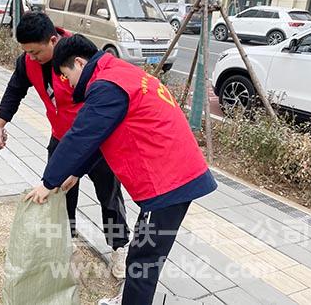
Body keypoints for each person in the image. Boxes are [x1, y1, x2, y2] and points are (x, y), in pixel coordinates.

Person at [25, 34, 217, 305]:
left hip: (170, 180)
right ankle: (128, 298)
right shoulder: (119, 72)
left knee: (143, 260)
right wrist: (76, 173)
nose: (67, 84)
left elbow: (81, 135)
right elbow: (101, 137)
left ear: (79, 63)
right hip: (173, 173)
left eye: (66, 76)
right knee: (143, 246)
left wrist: (48, 182)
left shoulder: (106, 86)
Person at [0, 13, 131, 278]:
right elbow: (14, 89)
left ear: (53, 40)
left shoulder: (78, 55)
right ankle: (66, 244)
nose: (32, 58)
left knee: (109, 196)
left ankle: (119, 248)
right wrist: (0, 122)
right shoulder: (28, 62)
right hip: (61, 139)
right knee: (59, 196)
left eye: (36, 52)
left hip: (97, 141)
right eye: (27, 53)